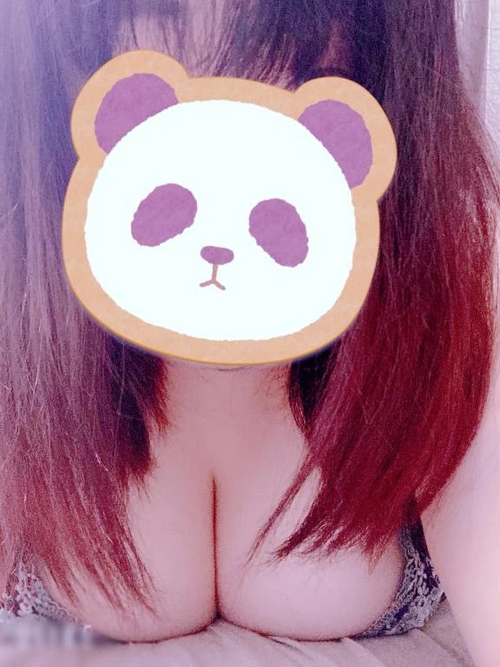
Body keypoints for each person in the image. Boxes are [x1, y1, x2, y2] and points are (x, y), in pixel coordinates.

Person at [0, 1, 498, 665]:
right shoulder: (19, 264)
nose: (226, 91)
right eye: (154, 18)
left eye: (292, 47)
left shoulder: (452, 267)